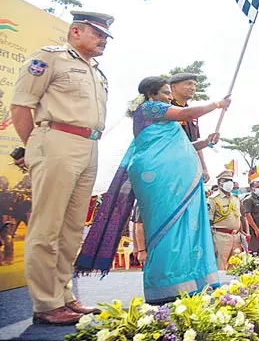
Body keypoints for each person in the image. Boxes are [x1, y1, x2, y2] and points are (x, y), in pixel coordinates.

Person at [75, 76, 231, 305]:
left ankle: (188, 281)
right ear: (151, 93)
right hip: (159, 177)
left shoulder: (160, 117)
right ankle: (165, 285)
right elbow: (187, 114)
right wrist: (217, 104)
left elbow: (184, 146)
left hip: (176, 178)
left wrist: (206, 142)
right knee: (166, 227)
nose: (170, 97)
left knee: (185, 228)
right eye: (166, 92)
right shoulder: (149, 108)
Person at [10, 10, 114, 325]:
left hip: (89, 145)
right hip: (56, 140)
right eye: (97, 34)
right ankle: (45, 303)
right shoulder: (49, 58)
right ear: (75, 32)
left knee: (71, 229)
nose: (103, 41)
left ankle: (64, 296)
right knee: (47, 226)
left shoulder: (97, 72)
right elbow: (21, 104)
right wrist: (37, 146)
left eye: (106, 36)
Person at [169, 72, 211, 182]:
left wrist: (204, 167)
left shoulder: (193, 115)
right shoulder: (167, 109)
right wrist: (217, 105)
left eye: (194, 85)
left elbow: (195, 141)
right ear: (173, 87)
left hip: (189, 164)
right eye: (188, 84)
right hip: (169, 163)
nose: (192, 88)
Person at [208, 170, 244, 269]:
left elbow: (238, 217)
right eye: (226, 180)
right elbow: (208, 222)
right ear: (220, 183)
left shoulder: (235, 198)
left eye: (231, 180)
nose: (230, 183)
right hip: (221, 237)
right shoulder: (213, 199)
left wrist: (242, 232)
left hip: (236, 236)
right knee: (221, 265)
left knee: (236, 265)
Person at [242, 180, 259, 254]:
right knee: (254, 252)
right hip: (254, 231)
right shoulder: (248, 200)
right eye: (257, 187)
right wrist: (256, 230)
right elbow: (247, 215)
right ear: (251, 188)